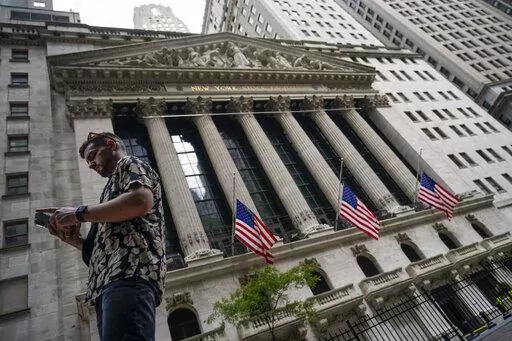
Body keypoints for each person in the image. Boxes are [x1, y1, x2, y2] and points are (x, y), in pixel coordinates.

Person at [43, 132, 166, 341]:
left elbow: (140, 201)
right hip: (107, 284)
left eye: (93, 156)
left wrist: (78, 214)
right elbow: (106, 249)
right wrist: (74, 240)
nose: (91, 164)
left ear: (111, 145)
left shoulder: (129, 163)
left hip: (130, 272)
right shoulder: (109, 191)